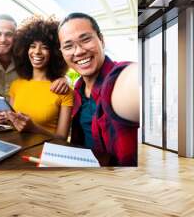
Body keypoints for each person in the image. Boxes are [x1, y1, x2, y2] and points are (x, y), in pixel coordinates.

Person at [57, 13, 139, 166]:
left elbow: (132, 81)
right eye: (68, 46)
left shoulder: (118, 78)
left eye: (86, 39)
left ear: (101, 40)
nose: (79, 51)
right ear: (62, 53)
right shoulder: (78, 88)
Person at [0, 15, 71, 124]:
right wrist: (1, 118)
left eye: (8, 34)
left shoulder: (22, 61)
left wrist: (64, 79)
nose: (2, 39)